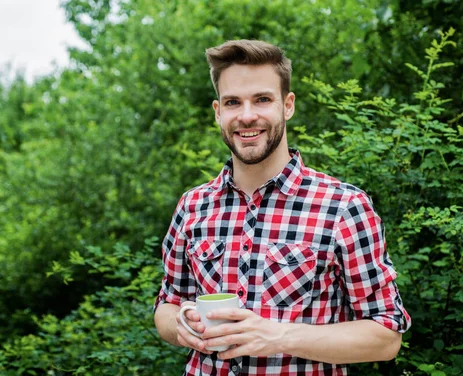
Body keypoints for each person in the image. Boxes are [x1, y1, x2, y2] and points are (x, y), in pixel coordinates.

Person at [153, 39, 411, 376]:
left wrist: (277, 336)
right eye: (233, 102)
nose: (247, 116)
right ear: (218, 112)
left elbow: (385, 335)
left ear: (287, 105)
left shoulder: (344, 207)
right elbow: (167, 305)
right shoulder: (193, 206)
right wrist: (182, 325)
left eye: (262, 99)